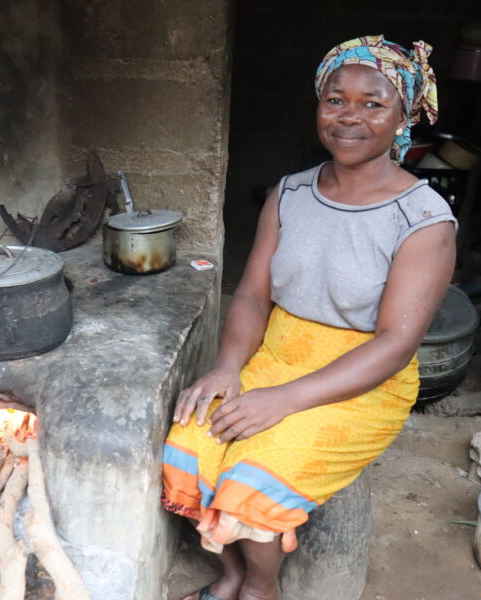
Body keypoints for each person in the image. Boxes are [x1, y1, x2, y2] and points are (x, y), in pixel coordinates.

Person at [162, 35, 456, 600]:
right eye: (334, 99)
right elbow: (251, 296)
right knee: (192, 444)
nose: (349, 117)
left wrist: (284, 399)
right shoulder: (290, 193)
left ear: (403, 117)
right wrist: (227, 367)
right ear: (318, 106)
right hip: (275, 351)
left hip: (363, 376)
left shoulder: (422, 218)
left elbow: (396, 343)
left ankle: (260, 588)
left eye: (373, 103)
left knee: (255, 475)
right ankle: (229, 574)